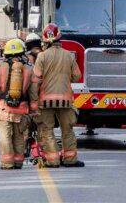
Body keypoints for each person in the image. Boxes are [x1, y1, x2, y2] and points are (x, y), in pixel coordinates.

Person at [31, 23, 83, 167]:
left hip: (45, 101)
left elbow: (36, 79)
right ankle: (70, 159)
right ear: (59, 38)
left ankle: (52, 160)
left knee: (47, 130)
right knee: (68, 130)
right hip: (65, 100)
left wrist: (33, 102)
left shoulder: (41, 56)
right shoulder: (68, 55)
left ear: (45, 41)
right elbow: (77, 76)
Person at [0, 38, 34, 170]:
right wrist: (33, 107)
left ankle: (7, 163)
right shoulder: (29, 68)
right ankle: (18, 162)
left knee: (5, 136)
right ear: (22, 52)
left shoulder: (1, 66)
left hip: (3, 108)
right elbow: (33, 91)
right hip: (21, 109)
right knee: (18, 136)